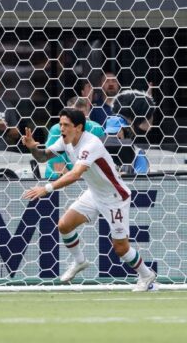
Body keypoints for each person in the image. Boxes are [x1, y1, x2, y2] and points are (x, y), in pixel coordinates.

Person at [21, 108, 157, 292]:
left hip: (114, 197)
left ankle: (146, 274)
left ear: (78, 128)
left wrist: (46, 188)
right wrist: (32, 148)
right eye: (60, 124)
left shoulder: (90, 144)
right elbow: (42, 156)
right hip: (94, 192)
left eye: (66, 125)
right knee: (64, 225)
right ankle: (80, 261)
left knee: (120, 248)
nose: (61, 128)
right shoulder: (65, 141)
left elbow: (76, 174)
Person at [44, 97, 105, 180]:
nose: (78, 118)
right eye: (75, 114)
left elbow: (101, 160)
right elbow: (58, 167)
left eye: (82, 113)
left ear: (88, 112)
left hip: (89, 179)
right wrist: (79, 183)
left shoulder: (96, 128)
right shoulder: (57, 130)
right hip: (58, 180)